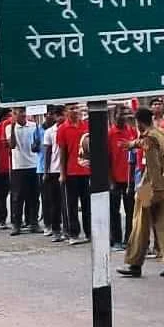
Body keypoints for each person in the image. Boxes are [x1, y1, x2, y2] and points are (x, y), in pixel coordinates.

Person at [117, 108, 164, 279]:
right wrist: (131, 144)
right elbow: (142, 142)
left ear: (138, 123)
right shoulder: (162, 132)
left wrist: (155, 189)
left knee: (139, 225)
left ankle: (134, 263)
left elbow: (153, 165)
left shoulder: (148, 137)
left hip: (150, 186)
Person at [58, 103, 92, 244]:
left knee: (87, 205)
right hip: (71, 172)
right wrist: (62, 173)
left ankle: (89, 233)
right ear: (66, 112)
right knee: (71, 205)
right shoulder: (62, 129)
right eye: (72, 108)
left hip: (86, 171)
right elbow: (62, 153)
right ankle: (73, 234)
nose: (75, 111)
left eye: (76, 108)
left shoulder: (86, 126)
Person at [6, 107, 40, 236]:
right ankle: (17, 224)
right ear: (14, 115)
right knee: (18, 197)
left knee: (34, 196)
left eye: (24, 112)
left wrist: (36, 144)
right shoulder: (9, 128)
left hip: (33, 164)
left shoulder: (33, 125)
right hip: (18, 166)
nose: (23, 114)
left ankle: (33, 222)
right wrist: (14, 127)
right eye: (20, 112)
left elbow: (37, 145)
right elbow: (12, 145)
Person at [108, 106, 137, 249]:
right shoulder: (110, 134)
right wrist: (110, 180)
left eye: (126, 114)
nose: (123, 116)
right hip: (114, 179)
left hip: (129, 179)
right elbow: (106, 158)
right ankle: (116, 240)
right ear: (114, 116)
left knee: (130, 211)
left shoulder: (132, 131)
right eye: (120, 114)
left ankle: (129, 239)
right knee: (114, 211)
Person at [42, 106, 65, 242]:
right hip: (54, 170)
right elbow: (47, 153)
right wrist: (46, 171)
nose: (61, 118)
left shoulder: (68, 129)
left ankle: (67, 229)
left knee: (67, 203)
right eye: (59, 115)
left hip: (68, 171)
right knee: (55, 202)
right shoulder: (50, 132)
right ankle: (56, 229)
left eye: (62, 115)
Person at [0, 108, 10, 230]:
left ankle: (2, 219)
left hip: (12, 167)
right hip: (2, 168)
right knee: (1, 195)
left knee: (4, 195)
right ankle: (1, 218)